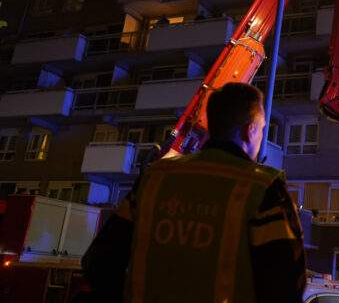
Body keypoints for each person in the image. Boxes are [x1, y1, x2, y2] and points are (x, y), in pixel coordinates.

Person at [82, 83, 306, 303]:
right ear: (250, 131)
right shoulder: (263, 188)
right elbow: (284, 286)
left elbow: (99, 263)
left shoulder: (155, 178)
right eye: (262, 128)